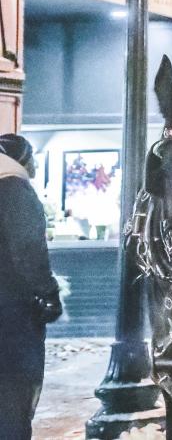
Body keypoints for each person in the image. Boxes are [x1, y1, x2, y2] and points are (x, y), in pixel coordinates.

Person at [0, 133, 62, 440]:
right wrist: (50, 293)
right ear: (21, 160)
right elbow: (28, 249)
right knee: (13, 403)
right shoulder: (13, 187)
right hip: (10, 318)